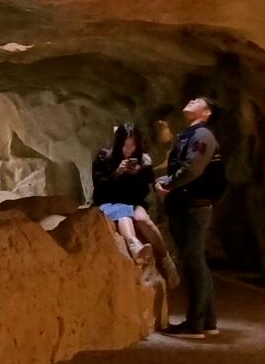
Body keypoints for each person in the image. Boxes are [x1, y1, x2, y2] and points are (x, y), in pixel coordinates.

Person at [155, 97, 223, 338]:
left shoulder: (202, 135)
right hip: (189, 203)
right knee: (197, 262)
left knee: (194, 262)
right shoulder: (192, 134)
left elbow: (193, 168)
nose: (191, 101)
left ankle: (194, 324)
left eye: (198, 101)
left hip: (193, 205)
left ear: (206, 113)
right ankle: (207, 321)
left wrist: (170, 184)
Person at [91, 123, 176, 285]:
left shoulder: (143, 160)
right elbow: (99, 186)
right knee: (124, 214)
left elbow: (144, 190)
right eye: (125, 145)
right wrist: (116, 173)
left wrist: (138, 174)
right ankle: (135, 246)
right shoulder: (104, 157)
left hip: (133, 201)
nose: (129, 149)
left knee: (143, 219)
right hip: (109, 200)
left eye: (133, 145)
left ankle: (166, 260)